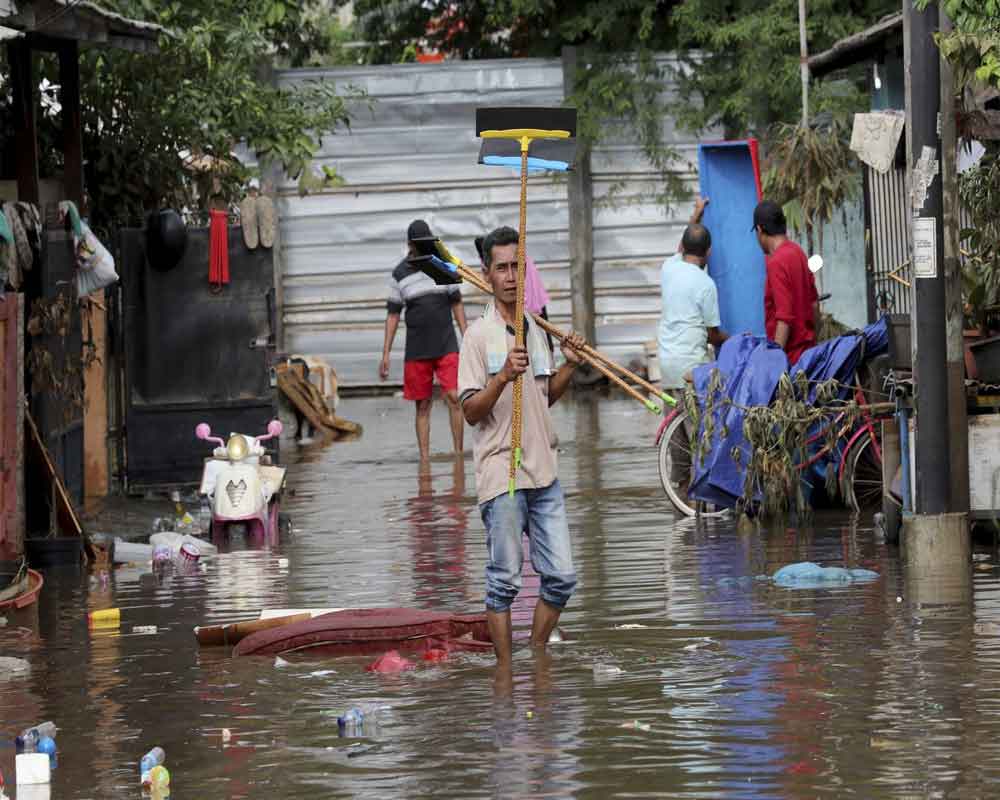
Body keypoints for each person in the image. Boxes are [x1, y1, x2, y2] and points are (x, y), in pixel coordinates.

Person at [458, 225, 585, 669]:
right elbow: (471, 411)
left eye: (517, 267)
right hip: (501, 475)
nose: (511, 276)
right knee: (504, 583)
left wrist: (572, 363)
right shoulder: (477, 337)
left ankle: (537, 656)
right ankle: (505, 675)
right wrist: (501, 378)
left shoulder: (535, 327)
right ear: (487, 274)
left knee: (562, 578)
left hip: (543, 471)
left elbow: (545, 394)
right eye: (502, 268)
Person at [380, 219, 468, 463]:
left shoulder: (443, 267)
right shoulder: (399, 274)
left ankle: (459, 456)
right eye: (420, 244)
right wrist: (385, 353)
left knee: (454, 397)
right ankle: (425, 461)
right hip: (417, 350)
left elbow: (457, 304)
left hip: (446, 344)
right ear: (410, 245)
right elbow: (393, 315)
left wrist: (467, 336)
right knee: (422, 406)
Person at [658, 197, 728, 398]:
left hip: (667, 363)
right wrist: (735, 338)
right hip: (691, 366)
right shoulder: (705, 284)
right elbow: (712, 336)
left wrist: (697, 213)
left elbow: (683, 246)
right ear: (709, 251)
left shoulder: (669, 267)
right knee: (696, 426)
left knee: (673, 423)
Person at [753, 200, 819, 364]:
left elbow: (784, 318)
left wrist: (775, 364)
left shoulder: (776, 262)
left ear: (760, 229)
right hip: (809, 354)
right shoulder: (798, 252)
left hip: (791, 359)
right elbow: (815, 304)